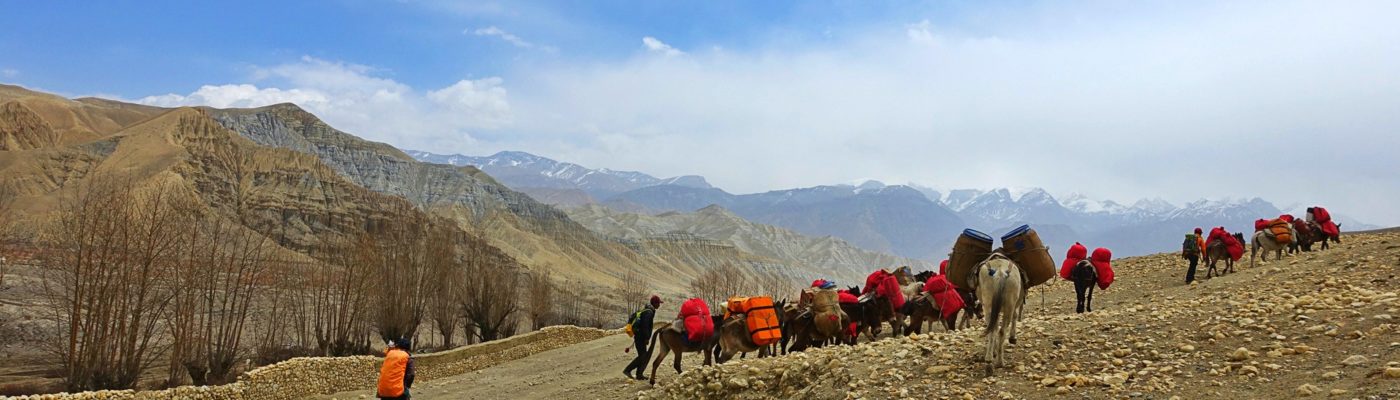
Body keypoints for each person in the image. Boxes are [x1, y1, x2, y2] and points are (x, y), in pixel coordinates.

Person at [622, 295, 661, 380]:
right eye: (658, 303)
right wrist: (647, 338)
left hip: (639, 336)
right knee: (643, 356)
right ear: (655, 303)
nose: (659, 305)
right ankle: (628, 370)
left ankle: (639, 374)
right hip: (641, 337)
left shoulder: (646, 310)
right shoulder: (649, 312)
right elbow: (645, 326)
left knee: (642, 355)